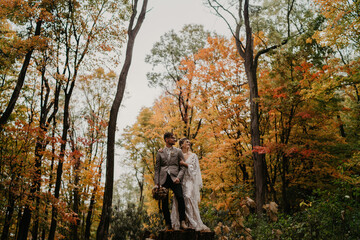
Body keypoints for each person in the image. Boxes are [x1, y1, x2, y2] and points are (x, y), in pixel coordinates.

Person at [170, 138, 210, 231]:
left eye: (189, 142)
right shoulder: (178, 155)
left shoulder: (193, 156)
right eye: (186, 142)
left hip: (189, 180)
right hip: (180, 180)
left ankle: (192, 222)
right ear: (181, 145)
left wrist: (185, 164)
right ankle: (181, 222)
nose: (189, 143)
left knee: (188, 197)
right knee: (177, 199)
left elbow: (195, 169)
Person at [154, 132, 189, 230]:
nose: (174, 139)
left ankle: (182, 222)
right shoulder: (160, 152)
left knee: (180, 197)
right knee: (164, 202)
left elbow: (183, 167)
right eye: (172, 138)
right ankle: (167, 224)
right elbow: (157, 168)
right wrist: (157, 182)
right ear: (166, 139)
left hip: (175, 178)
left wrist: (179, 177)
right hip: (163, 179)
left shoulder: (178, 151)